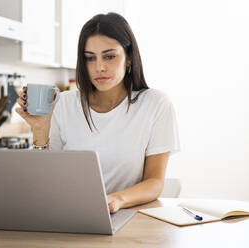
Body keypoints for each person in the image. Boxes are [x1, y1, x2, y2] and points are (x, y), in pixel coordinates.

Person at [16, 12, 180, 213]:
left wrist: (114, 200)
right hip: (68, 214)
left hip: (124, 215)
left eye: (109, 56)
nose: (99, 67)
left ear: (128, 58)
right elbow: (44, 180)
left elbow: (154, 181)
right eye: (90, 58)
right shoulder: (64, 104)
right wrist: (40, 129)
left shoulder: (155, 104)